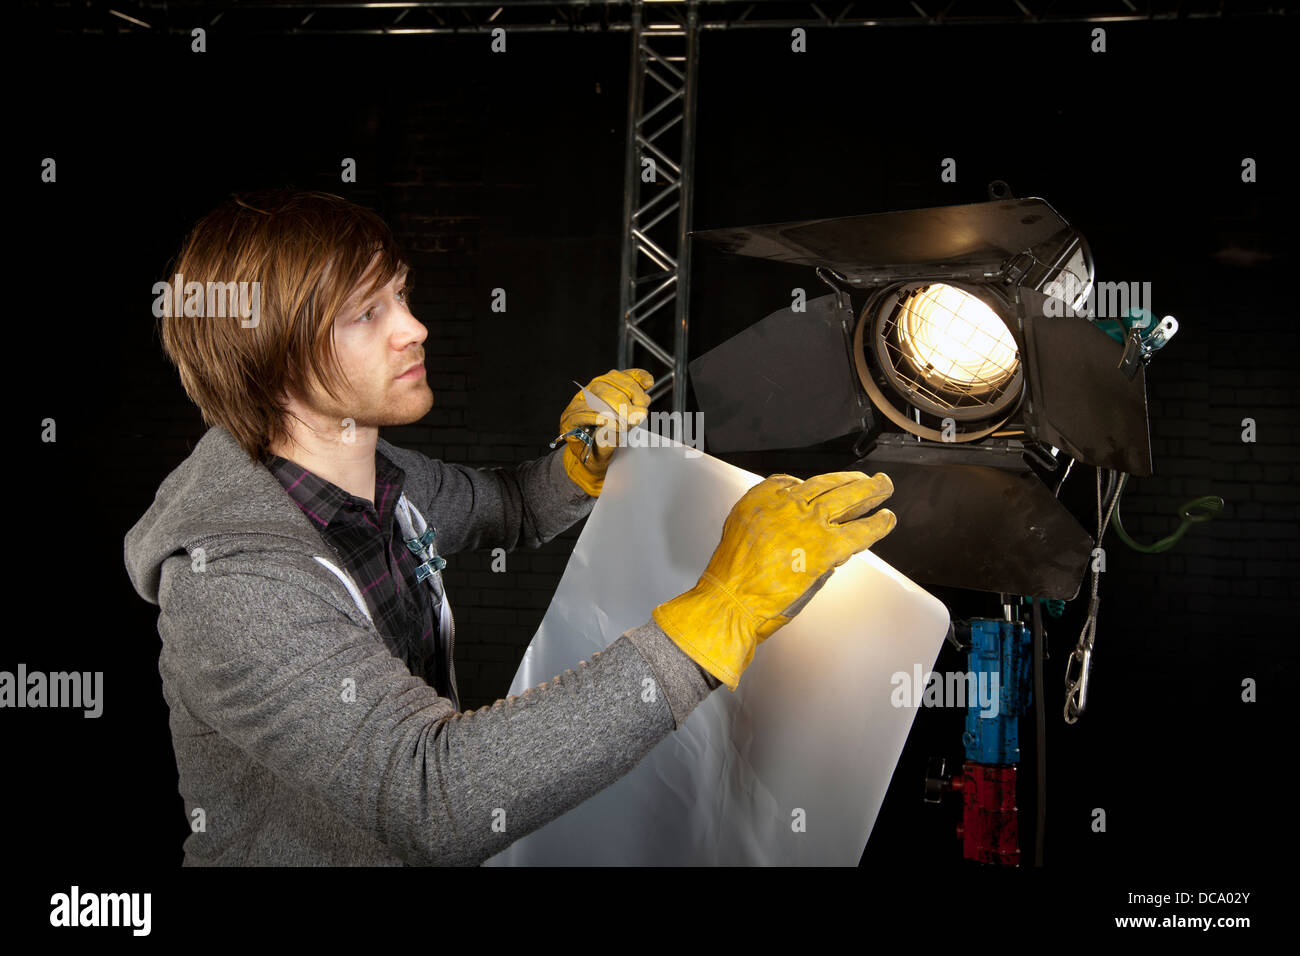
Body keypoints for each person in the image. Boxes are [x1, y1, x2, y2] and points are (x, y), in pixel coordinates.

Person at [124, 189, 898, 866]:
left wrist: (581, 465)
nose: (415, 328)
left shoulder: (378, 475)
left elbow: (514, 510)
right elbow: (435, 797)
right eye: (369, 313)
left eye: (401, 296)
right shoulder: (230, 584)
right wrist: (720, 611)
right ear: (275, 354)